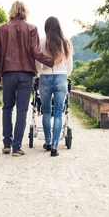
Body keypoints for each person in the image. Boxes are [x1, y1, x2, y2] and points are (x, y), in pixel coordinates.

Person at [0, 1, 61, 157]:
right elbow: (36, 53)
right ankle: (17, 148)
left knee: (7, 108)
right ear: (25, 12)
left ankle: (6, 144)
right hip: (25, 74)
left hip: (8, 72)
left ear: (11, 11)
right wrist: (51, 61)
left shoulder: (1, 29)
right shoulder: (31, 29)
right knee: (22, 110)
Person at [35, 16, 73, 157]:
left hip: (45, 77)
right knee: (58, 113)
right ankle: (55, 146)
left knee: (45, 111)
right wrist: (64, 74)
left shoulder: (41, 41)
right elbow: (70, 66)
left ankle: (48, 142)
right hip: (61, 77)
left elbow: (37, 62)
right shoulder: (65, 42)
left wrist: (40, 72)